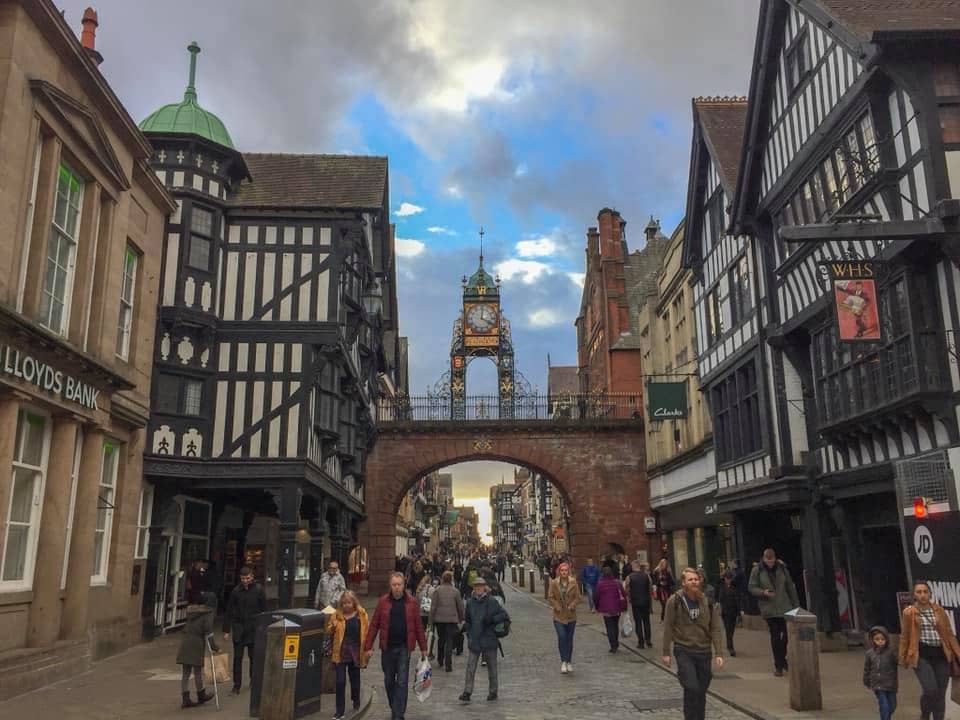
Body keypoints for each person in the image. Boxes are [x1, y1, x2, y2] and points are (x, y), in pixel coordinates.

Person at [363, 572, 428, 720]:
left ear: (404, 585)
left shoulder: (411, 602)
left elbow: (418, 626)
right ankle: (395, 706)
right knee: (388, 680)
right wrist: (368, 646)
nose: (397, 587)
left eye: (399, 584)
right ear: (390, 586)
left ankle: (398, 715)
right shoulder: (383, 602)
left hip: (404, 647)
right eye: (394, 585)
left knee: (402, 682)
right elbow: (374, 625)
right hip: (387, 647)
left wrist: (423, 648)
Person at [661, 568, 724, 720]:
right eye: (690, 580)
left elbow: (715, 628)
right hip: (684, 649)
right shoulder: (674, 601)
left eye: (696, 579)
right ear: (683, 583)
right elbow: (668, 627)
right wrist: (666, 652)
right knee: (692, 687)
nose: (694, 582)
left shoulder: (708, 601)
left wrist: (719, 653)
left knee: (700, 691)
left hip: (704, 651)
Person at [899, 580, 960, 720]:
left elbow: (949, 634)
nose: (923, 595)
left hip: (941, 655)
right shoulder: (909, 613)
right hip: (921, 656)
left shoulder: (939, 610)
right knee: (931, 690)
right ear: (914, 595)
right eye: (919, 592)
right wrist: (902, 657)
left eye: (925, 592)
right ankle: (925, 715)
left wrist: (957, 653)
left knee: (940, 693)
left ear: (930, 594)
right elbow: (905, 636)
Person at [748, 548, 799, 676]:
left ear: (775, 558)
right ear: (764, 558)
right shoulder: (757, 570)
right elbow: (751, 587)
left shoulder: (782, 568)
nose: (770, 563)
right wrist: (762, 592)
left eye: (772, 560)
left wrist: (796, 606)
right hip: (769, 608)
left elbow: (790, 586)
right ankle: (779, 665)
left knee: (787, 635)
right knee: (776, 636)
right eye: (768, 560)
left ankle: (781, 658)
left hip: (784, 606)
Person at [459, 576, 508, 703]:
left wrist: (492, 620)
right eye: (476, 586)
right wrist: (469, 633)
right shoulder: (470, 602)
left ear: (484, 587)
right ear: (474, 588)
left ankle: (493, 691)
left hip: (489, 638)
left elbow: (503, 615)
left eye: (480, 586)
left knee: (492, 668)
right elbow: (467, 620)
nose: (478, 588)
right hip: (475, 639)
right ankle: (467, 691)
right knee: (470, 667)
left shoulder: (492, 601)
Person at [222, 566, 266, 694]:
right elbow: (229, 610)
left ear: (252, 577)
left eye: (247, 578)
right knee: (237, 658)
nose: (245, 581)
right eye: (242, 579)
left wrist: (263, 627)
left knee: (253, 657)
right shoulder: (236, 591)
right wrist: (226, 630)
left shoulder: (259, 590)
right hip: (239, 629)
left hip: (253, 629)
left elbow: (264, 609)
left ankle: (253, 680)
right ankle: (237, 686)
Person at [326, 591, 368, 720]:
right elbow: (328, 630)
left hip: (355, 653)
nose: (346, 606)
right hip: (340, 653)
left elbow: (366, 632)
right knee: (340, 682)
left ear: (354, 602)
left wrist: (367, 649)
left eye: (349, 603)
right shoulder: (336, 615)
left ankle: (356, 698)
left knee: (354, 681)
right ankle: (340, 711)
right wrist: (331, 627)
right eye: (344, 603)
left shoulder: (361, 615)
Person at [176, 591, 217, 708]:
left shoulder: (192, 611)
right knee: (198, 670)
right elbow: (208, 631)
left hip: (186, 641)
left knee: (186, 672)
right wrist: (214, 646)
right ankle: (201, 694)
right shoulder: (208, 613)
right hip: (197, 643)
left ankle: (185, 698)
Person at [547, 561, 581, 674]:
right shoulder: (554, 583)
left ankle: (569, 662)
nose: (564, 572)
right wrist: (556, 605)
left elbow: (578, 597)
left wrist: (572, 605)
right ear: (559, 572)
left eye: (566, 570)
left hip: (571, 615)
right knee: (562, 637)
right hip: (559, 615)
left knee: (569, 638)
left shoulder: (573, 582)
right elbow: (550, 597)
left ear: (568, 571)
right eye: (562, 570)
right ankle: (563, 661)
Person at [429, 571, 465, 672]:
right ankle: (448, 664)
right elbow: (460, 607)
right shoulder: (455, 591)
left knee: (441, 639)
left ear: (442, 579)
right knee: (449, 640)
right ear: (451, 579)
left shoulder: (437, 590)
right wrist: (461, 618)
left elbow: (433, 607)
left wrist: (430, 621)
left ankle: (440, 660)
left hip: (439, 620)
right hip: (451, 620)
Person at [863, 625, 897, 720]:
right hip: (877, 684)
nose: (880, 641)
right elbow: (867, 668)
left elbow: (898, 661)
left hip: (890, 683)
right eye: (877, 639)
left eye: (882, 639)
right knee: (884, 705)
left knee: (892, 705)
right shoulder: (869, 653)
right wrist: (866, 680)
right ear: (872, 640)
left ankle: (886, 717)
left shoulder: (891, 652)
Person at [595, 563, 627, 652]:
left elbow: (596, 596)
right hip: (616, 608)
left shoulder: (600, 584)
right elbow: (624, 594)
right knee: (615, 625)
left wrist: (597, 606)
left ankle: (613, 645)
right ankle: (616, 642)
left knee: (609, 627)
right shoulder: (617, 582)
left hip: (606, 609)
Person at [625, 560, 653, 649]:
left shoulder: (629, 577)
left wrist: (629, 597)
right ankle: (648, 640)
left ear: (634, 566)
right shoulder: (646, 576)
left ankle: (641, 642)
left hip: (635, 602)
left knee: (638, 622)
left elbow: (627, 590)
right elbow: (650, 588)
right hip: (646, 601)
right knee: (646, 621)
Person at [717, 571, 741, 656]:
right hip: (725, 612)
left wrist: (739, 613)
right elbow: (719, 598)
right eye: (727, 579)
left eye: (729, 579)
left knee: (731, 629)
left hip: (733, 611)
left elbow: (737, 600)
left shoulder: (734, 588)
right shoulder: (721, 587)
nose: (728, 580)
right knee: (728, 629)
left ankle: (729, 644)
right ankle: (730, 647)